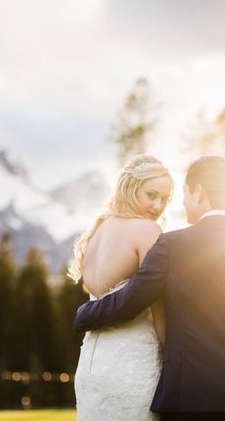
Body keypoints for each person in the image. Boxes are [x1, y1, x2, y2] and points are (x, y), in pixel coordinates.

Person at [74, 155, 225, 421]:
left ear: (198, 193)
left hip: (187, 396)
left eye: (182, 194)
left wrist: (85, 313)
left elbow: (133, 298)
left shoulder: (172, 245)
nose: (178, 204)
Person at [70, 154, 174, 421]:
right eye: (151, 194)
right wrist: (175, 360)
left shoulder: (98, 230)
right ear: (130, 187)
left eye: (165, 199)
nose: (158, 205)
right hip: (132, 367)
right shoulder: (148, 231)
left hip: (91, 368)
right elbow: (160, 309)